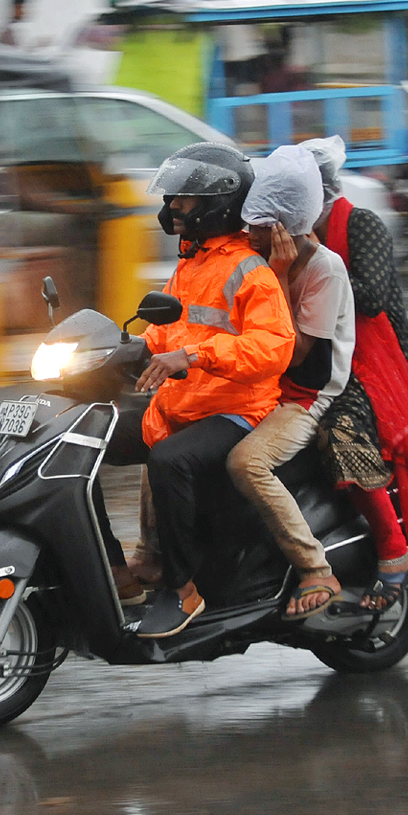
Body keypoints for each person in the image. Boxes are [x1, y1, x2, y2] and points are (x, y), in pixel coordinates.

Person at [101, 142, 295, 637]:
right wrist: (124, 349)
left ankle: (182, 589)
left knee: (170, 460)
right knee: (87, 436)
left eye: (182, 200)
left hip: (237, 410)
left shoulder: (252, 271)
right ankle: (112, 567)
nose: (171, 210)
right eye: (171, 199)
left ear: (217, 203)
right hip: (185, 403)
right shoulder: (192, 263)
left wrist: (194, 356)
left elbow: (273, 347)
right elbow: (173, 331)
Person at [303, 136, 408, 610]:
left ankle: (393, 551)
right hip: (325, 362)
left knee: (340, 431)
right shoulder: (286, 236)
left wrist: (307, 263)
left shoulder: (361, 224)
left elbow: (372, 298)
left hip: (379, 368)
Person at [226, 144, 355, 619]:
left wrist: (278, 276)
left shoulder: (324, 269)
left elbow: (297, 353)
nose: (250, 233)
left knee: (246, 463)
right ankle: (154, 561)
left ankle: (315, 566)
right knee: (168, 429)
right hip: (266, 384)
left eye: (259, 226)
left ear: (285, 226)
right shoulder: (257, 259)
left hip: (306, 396)